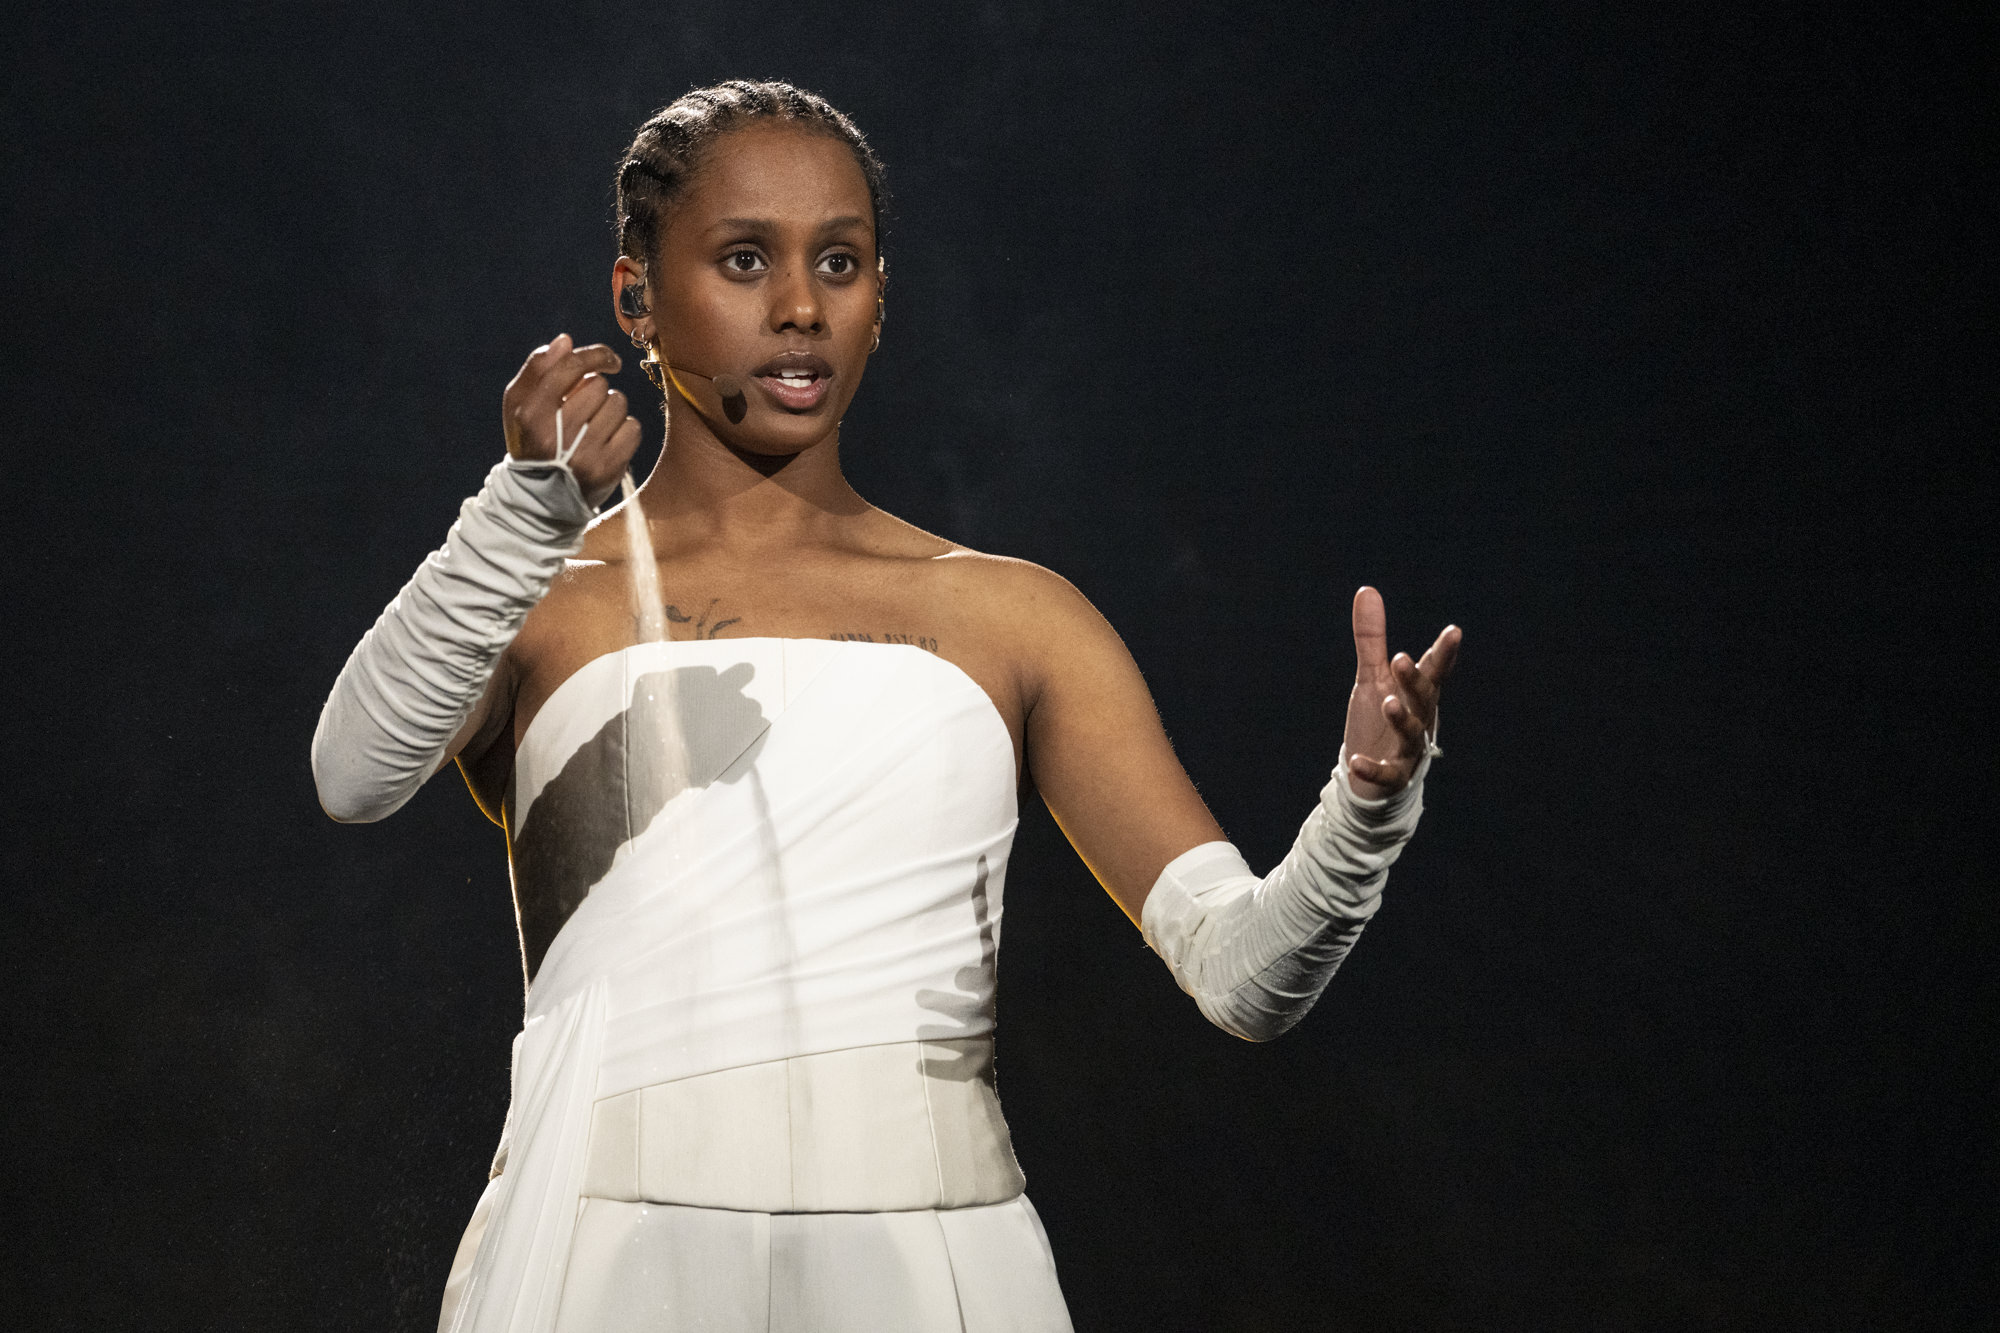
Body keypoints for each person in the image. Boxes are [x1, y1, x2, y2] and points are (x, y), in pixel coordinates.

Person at [312, 79, 1461, 1333]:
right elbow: (352, 774)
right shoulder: (537, 595)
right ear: (634, 298)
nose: (800, 308)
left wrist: (1363, 810)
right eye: (743, 259)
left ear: (879, 298)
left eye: (839, 261)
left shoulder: (1015, 617)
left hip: (934, 1273)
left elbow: (1244, 976)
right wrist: (519, 514)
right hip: (603, 1263)